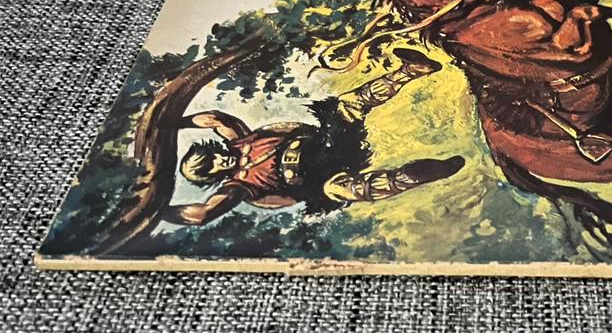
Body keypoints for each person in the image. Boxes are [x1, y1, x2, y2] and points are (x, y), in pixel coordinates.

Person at [164, 48, 463, 226]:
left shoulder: (240, 140)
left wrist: (173, 123)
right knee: (352, 189)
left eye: (211, 157)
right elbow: (203, 213)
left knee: (350, 103)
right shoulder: (239, 187)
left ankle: (414, 69)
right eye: (212, 168)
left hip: (325, 142)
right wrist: (161, 213)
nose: (219, 161)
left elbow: (215, 118)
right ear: (214, 176)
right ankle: (427, 172)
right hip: (320, 179)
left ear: (212, 149)